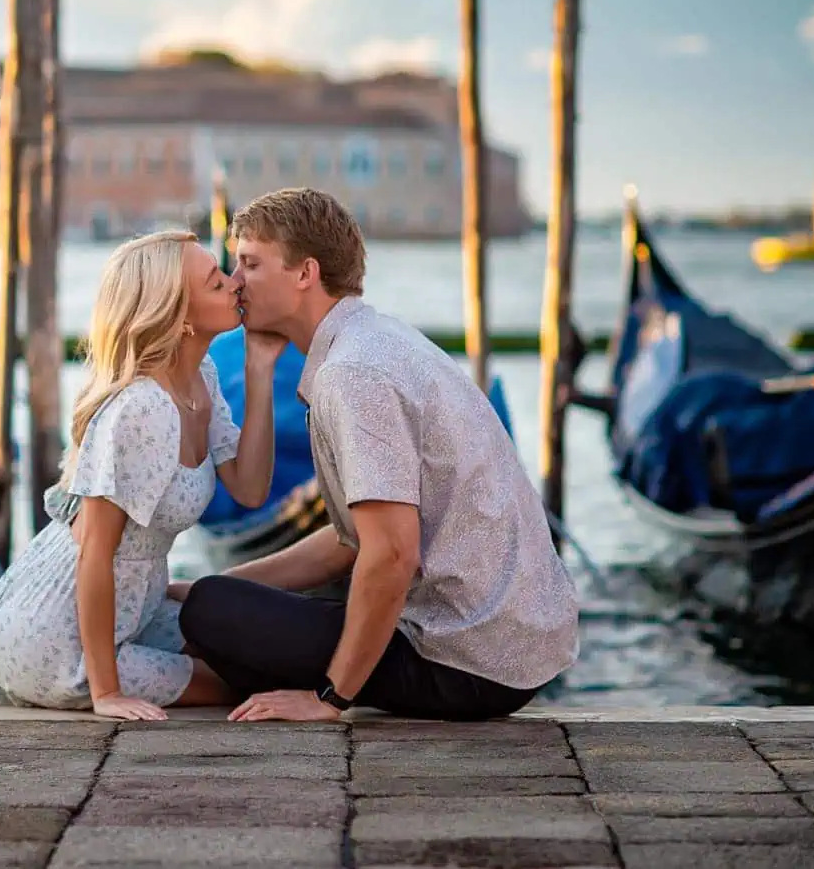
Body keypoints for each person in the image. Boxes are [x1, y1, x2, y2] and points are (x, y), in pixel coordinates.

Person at [176, 188, 578, 722]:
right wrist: (234, 581)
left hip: (465, 663)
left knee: (210, 615)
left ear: (305, 274)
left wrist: (330, 699)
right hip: (508, 651)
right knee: (218, 597)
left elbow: (390, 556)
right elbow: (353, 542)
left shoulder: (352, 375)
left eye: (249, 263)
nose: (236, 281)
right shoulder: (373, 341)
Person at [0, 229, 287, 720]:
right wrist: (106, 691)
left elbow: (250, 487)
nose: (234, 281)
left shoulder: (202, 379)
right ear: (176, 315)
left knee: (259, 655)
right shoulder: (143, 409)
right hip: (57, 633)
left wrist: (260, 368)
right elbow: (95, 550)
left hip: (134, 612)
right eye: (215, 281)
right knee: (234, 685)